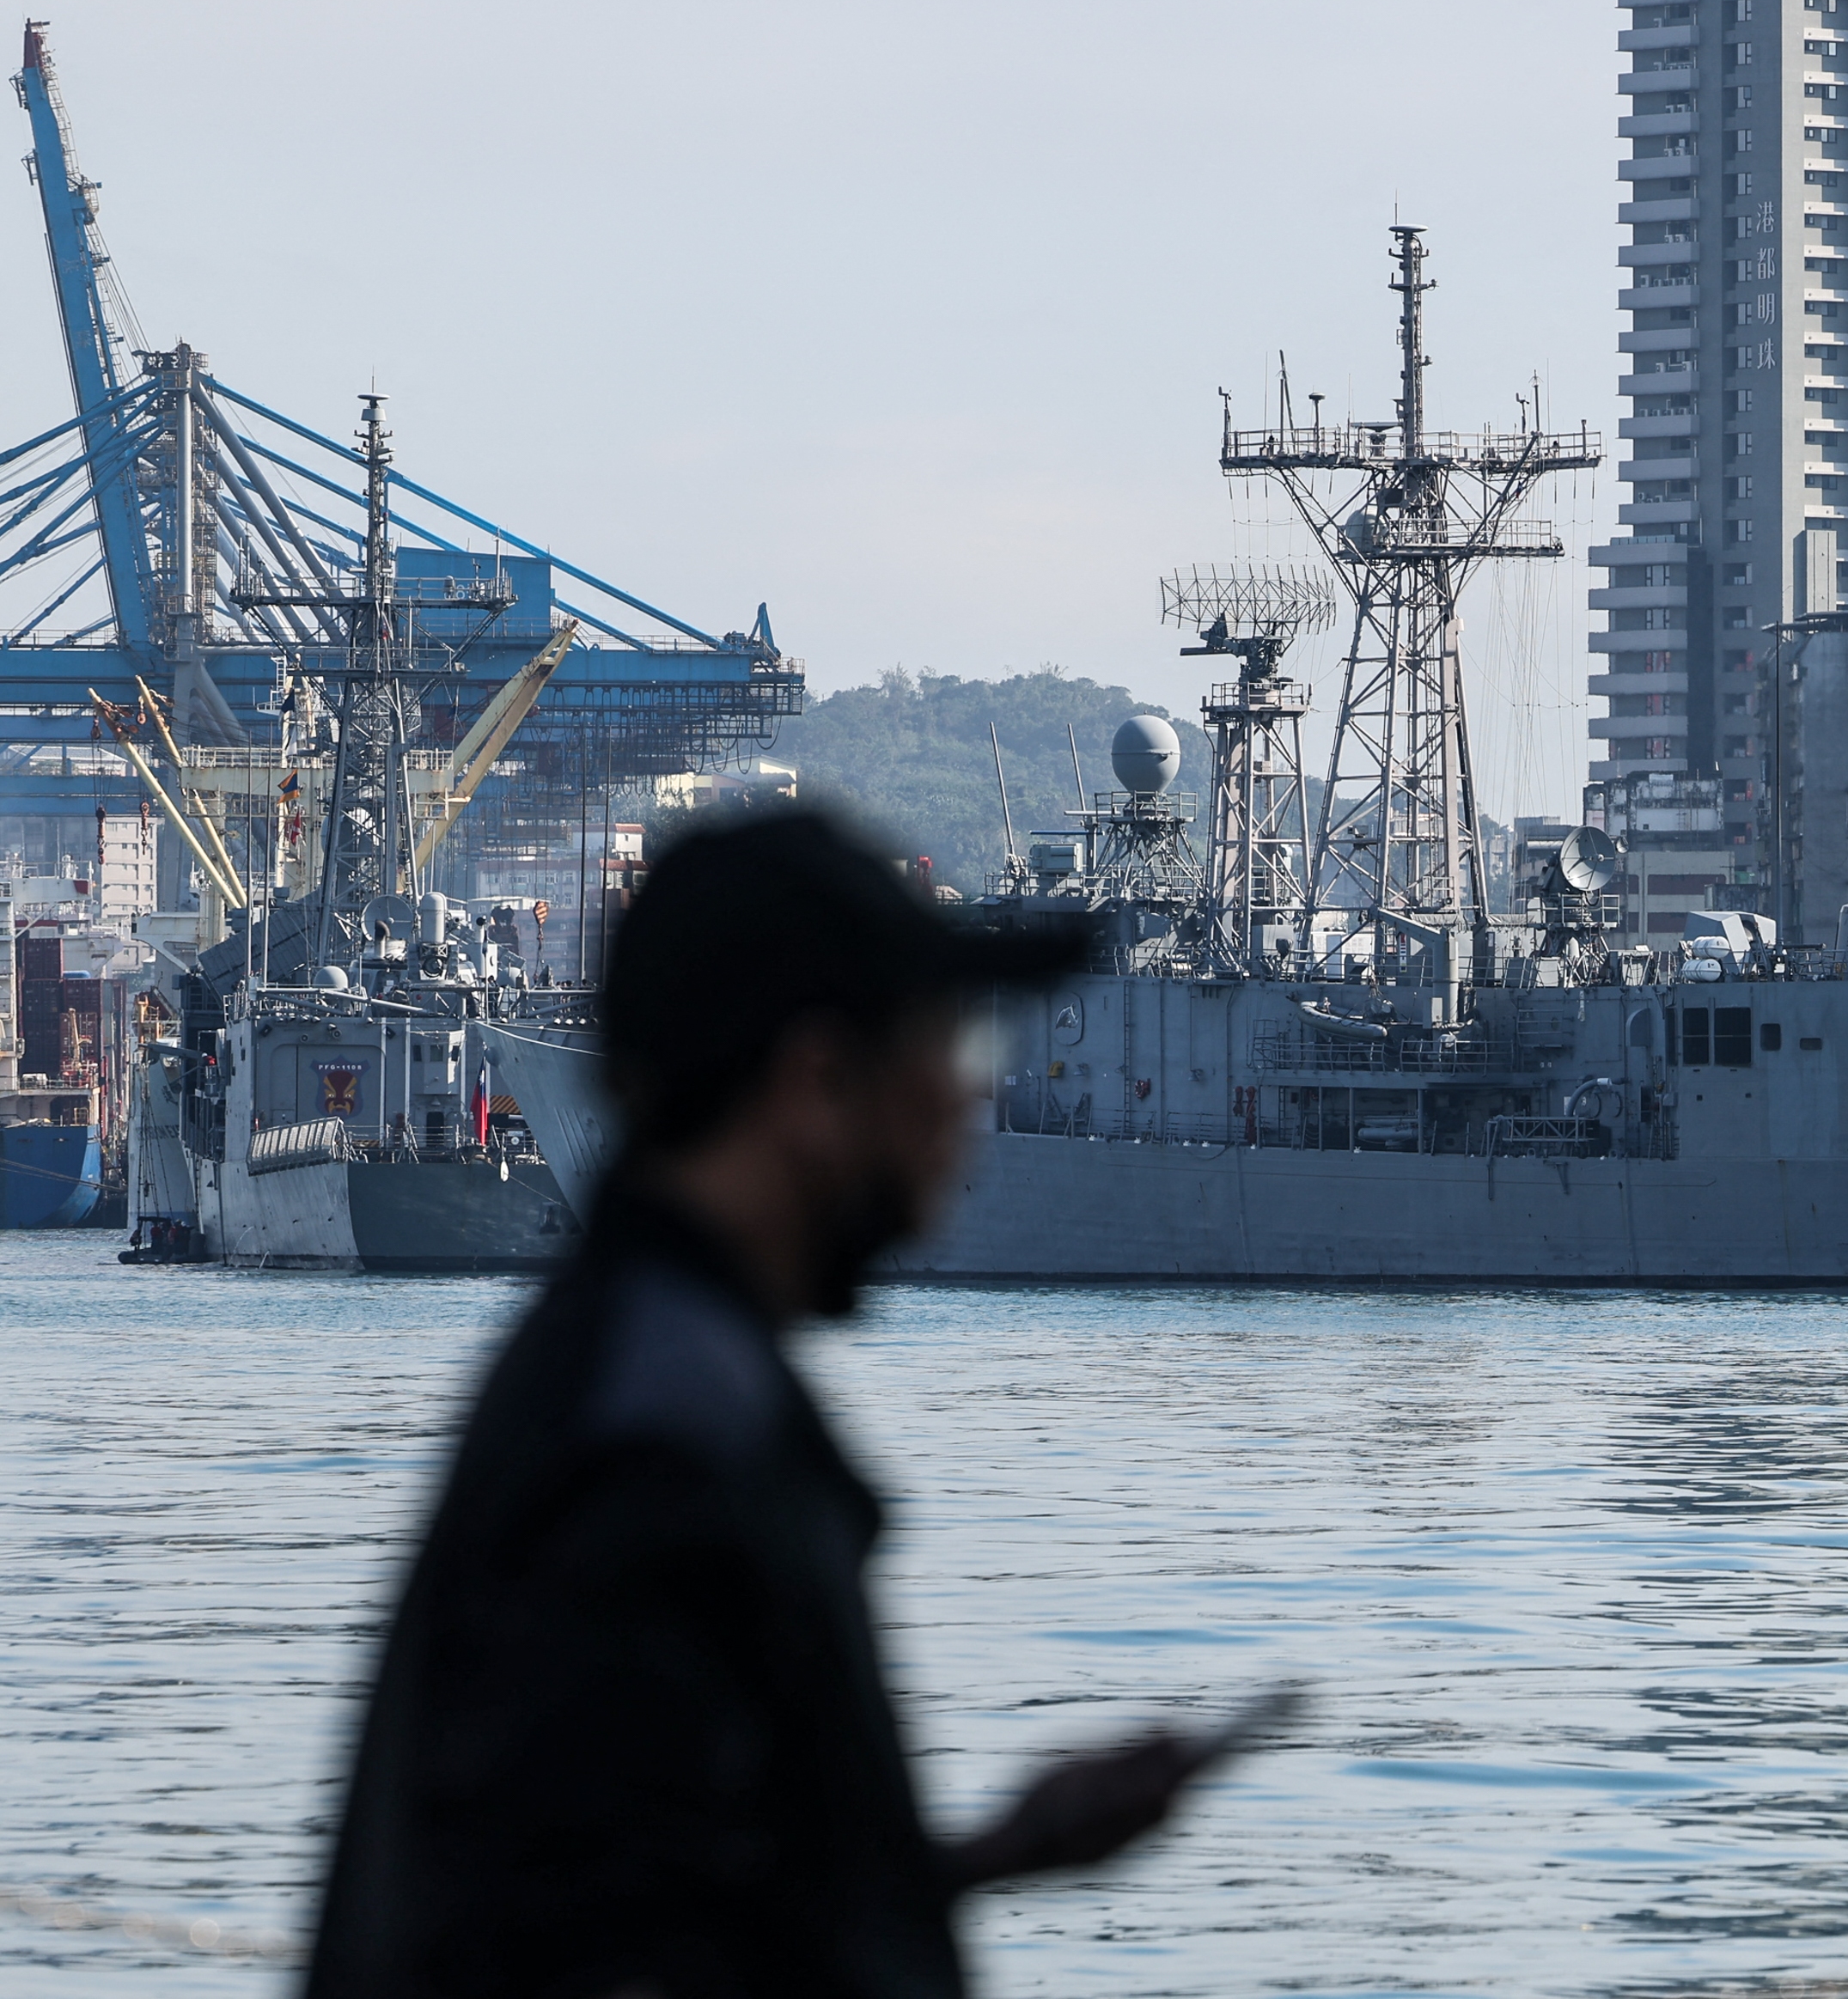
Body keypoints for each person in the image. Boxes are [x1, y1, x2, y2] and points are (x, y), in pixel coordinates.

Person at [308, 808, 1222, 1999]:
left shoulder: (636, 1360)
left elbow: (661, 1888)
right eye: (941, 1046)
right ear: (816, 1080)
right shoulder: (670, 1430)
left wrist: (1005, 1848)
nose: (963, 1104)